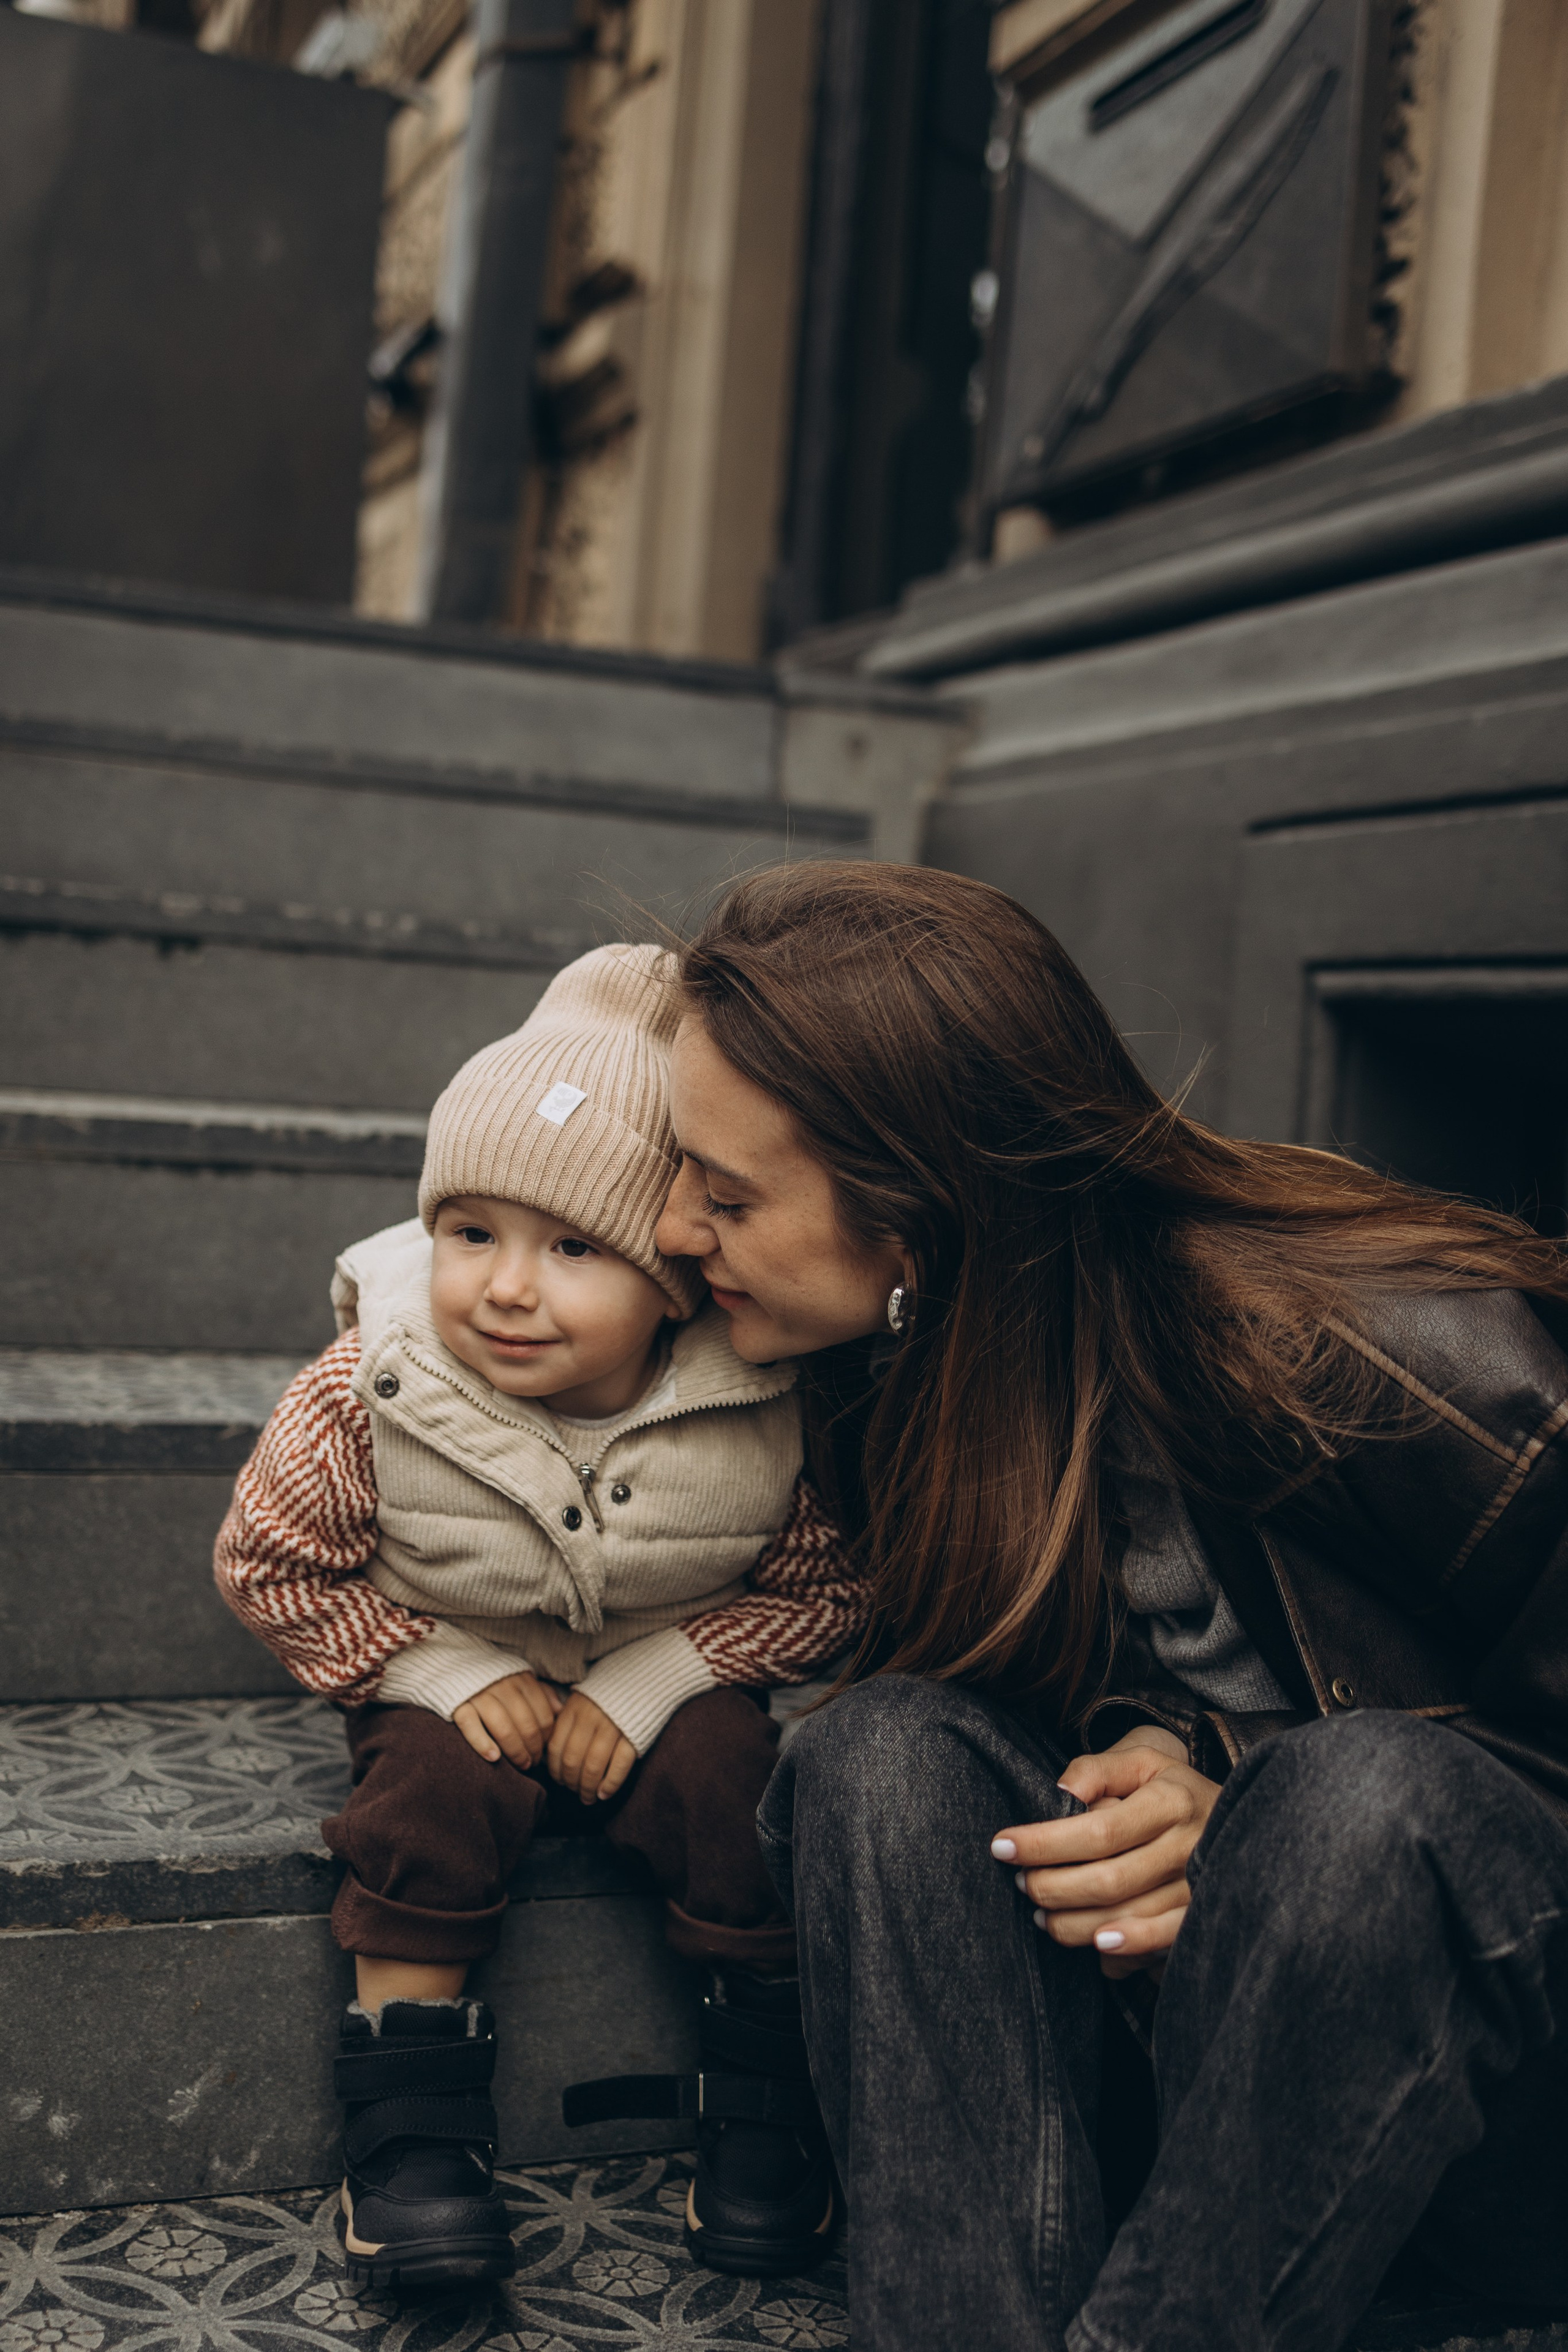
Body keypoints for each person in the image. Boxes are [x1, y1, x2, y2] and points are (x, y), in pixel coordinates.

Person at [650, 860, 1568, 2352]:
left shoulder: (1362, 1348)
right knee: (878, 1751)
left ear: (916, 1211)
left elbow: (1436, 1822)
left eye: (725, 1192)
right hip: (1201, 2121)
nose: (676, 1231)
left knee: (1359, 1800)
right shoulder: (904, 1378)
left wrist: (1248, 1796)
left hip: (1491, 2127)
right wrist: (1169, 1744)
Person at [214, 944, 854, 2290]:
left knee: (741, 1788)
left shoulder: (758, 1405)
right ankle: (412, 2121)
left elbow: (831, 1593)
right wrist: (435, 1670)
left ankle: (762, 2083)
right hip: (460, 1676)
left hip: (665, 1680)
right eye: (471, 1233)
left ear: (676, 1282)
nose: (507, 1286)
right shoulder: (367, 1388)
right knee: (421, 1807)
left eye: (574, 1247)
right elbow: (269, 1567)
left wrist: (665, 1672)